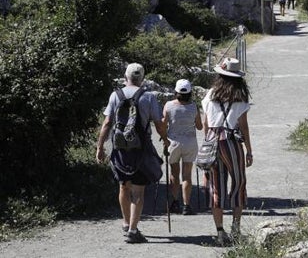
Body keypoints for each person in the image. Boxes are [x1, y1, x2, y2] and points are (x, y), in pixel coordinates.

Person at [96, 63, 169, 244]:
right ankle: (133, 230)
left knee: (123, 186)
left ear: (125, 76)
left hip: (120, 148)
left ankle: (126, 223)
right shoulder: (148, 96)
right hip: (141, 148)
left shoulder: (115, 95)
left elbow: (107, 123)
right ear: (142, 78)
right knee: (138, 191)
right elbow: (158, 123)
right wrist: (165, 139)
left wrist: (100, 147)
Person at [202, 57, 253, 245]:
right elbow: (244, 126)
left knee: (216, 186)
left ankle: (220, 231)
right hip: (230, 140)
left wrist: (207, 144)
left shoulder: (210, 94)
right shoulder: (240, 96)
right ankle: (236, 228)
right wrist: (249, 150)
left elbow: (206, 123)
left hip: (212, 140)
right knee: (238, 183)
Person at [162, 79, 203, 215]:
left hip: (173, 142)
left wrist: (164, 137)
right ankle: (187, 205)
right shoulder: (193, 107)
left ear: (176, 91)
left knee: (174, 173)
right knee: (187, 175)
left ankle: (175, 202)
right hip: (190, 142)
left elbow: (163, 124)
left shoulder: (168, 106)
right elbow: (199, 126)